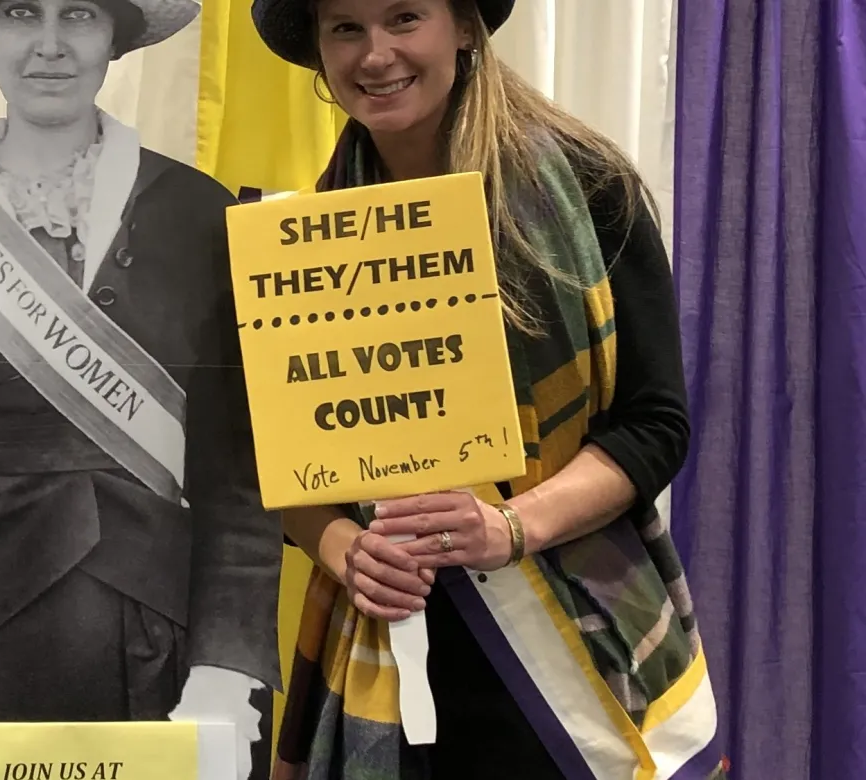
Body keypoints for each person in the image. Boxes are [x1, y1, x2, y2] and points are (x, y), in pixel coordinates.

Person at [249, 1, 725, 778]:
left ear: (464, 26)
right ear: (319, 51)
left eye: (405, 17)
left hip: (574, 644)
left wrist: (509, 527)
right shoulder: (301, 242)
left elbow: (653, 424)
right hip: (384, 649)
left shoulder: (590, 192)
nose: (377, 55)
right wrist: (343, 549)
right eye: (346, 28)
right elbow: (277, 457)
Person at [0, 0, 281, 778]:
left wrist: (228, 661)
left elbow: (239, 474)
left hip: (156, 650)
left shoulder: (205, 216)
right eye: (19, 13)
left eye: (78, 15)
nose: (49, 47)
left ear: (115, 36)